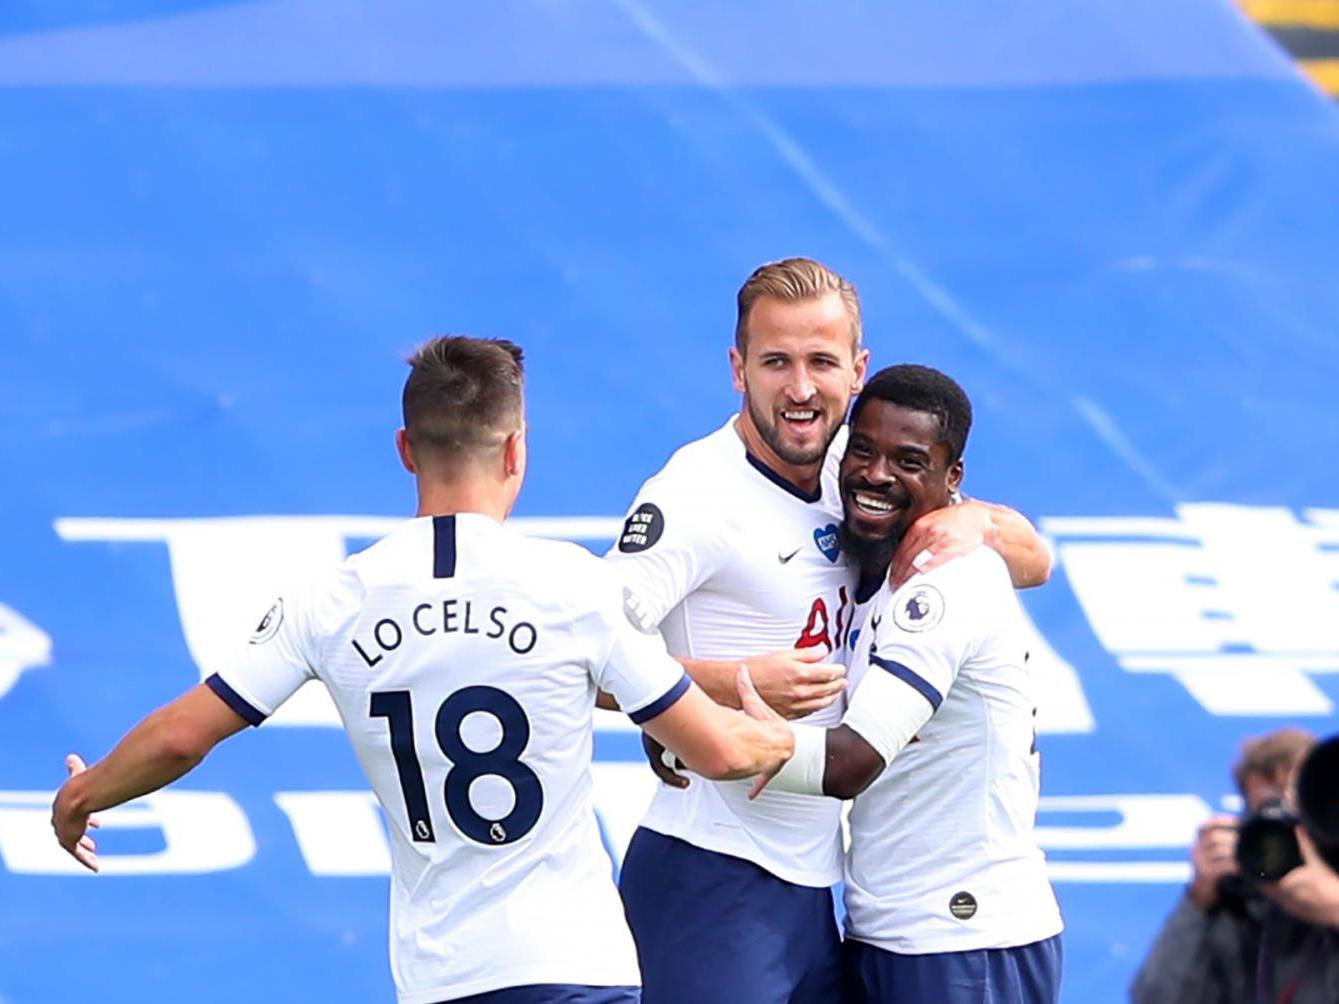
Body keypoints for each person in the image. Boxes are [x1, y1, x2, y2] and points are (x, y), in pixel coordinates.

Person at [50, 336, 797, 1004]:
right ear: (516, 450)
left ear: (405, 449)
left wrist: (83, 796)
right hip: (574, 964)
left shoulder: (333, 598)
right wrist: (784, 740)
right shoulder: (574, 588)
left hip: (441, 977)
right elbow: (721, 751)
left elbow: (183, 735)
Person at [607, 258, 1055, 1004]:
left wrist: (974, 519)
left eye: (821, 361)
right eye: (775, 361)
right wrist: (721, 687)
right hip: (713, 874)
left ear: (857, 369)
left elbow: (1033, 562)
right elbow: (580, 656)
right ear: (735, 369)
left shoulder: (857, 471)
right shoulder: (693, 497)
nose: (800, 387)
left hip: (818, 884)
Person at [759, 364, 1064, 1004]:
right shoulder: (875, 559)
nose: (875, 474)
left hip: (963, 934)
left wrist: (700, 739)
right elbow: (1035, 558)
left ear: (952, 479)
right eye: (863, 450)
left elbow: (850, 763)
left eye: (908, 460)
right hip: (893, 929)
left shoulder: (946, 582)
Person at [1131, 727, 1339, 1004]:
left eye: (1295, 812)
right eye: (1266, 811)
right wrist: (1199, 901)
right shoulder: (1241, 899)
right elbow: (1157, 998)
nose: (1284, 831)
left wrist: (1331, 905)